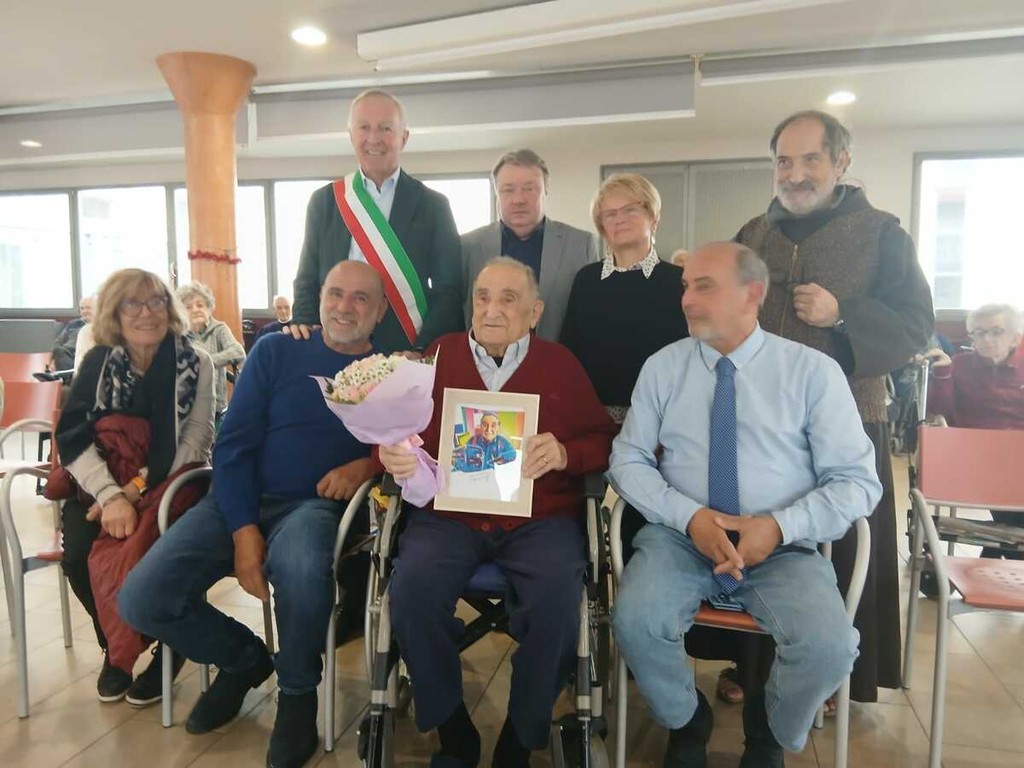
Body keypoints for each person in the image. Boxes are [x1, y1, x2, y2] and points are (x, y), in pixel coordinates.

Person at [609, 243, 881, 767]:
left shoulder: (812, 372)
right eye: (685, 286)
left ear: (752, 294)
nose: (687, 299)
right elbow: (628, 458)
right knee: (636, 622)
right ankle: (687, 721)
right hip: (680, 539)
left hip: (782, 548)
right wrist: (689, 517)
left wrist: (779, 526)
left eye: (704, 286)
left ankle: (768, 729)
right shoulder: (664, 367)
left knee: (829, 647)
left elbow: (857, 481)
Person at [119, 261, 387, 768]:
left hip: (314, 506)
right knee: (142, 598)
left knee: (302, 569)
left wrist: (368, 464)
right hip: (236, 498)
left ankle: (298, 695)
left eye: (360, 298)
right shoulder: (276, 349)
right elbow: (235, 443)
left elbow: (411, 444)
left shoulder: (390, 369)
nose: (344, 307)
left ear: (380, 310)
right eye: (335, 293)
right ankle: (243, 659)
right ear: (319, 298)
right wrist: (244, 530)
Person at [378, 257, 617, 768]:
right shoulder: (437, 356)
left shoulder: (560, 364)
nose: (491, 309)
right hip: (449, 517)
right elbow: (400, 431)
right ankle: (452, 730)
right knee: (411, 593)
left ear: (535, 311)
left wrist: (566, 453)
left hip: (539, 519)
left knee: (558, 604)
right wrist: (394, 452)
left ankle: (520, 736)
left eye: (509, 299)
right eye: (483, 296)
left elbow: (602, 439)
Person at [734, 110, 933, 704]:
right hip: (758, 421)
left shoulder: (883, 234)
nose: (794, 174)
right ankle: (753, 668)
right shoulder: (753, 233)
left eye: (810, 159)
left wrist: (842, 314)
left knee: (843, 547)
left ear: (841, 162)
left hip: (847, 419)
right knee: (759, 542)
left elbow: (915, 325)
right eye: (784, 161)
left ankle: (833, 676)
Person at [54, 268, 215, 705]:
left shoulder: (196, 362)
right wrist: (109, 495)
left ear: (170, 308)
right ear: (114, 312)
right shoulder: (97, 361)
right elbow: (73, 436)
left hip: (171, 482)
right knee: (78, 556)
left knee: (159, 556)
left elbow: (197, 438)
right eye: (133, 304)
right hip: (99, 486)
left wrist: (136, 490)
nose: (147, 313)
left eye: (156, 302)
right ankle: (117, 650)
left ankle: (172, 647)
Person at [290, 89, 463, 353]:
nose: (374, 138)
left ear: (404, 138)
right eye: (364, 127)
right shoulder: (325, 201)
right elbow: (307, 278)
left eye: (385, 128)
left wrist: (423, 348)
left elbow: (448, 290)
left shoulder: (434, 206)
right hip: (334, 345)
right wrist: (305, 324)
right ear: (351, 136)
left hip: (405, 349)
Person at [560, 173, 687, 424]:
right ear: (602, 227)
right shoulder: (586, 280)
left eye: (630, 210)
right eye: (610, 214)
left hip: (664, 416)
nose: (619, 219)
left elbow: (689, 355)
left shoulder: (679, 281)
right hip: (595, 418)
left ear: (653, 218)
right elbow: (570, 351)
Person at [461, 149, 598, 340]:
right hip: (483, 357)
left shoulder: (580, 244)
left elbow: (590, 314)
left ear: (545, 191)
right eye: (508, 190)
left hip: (558, 356)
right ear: (496, 194)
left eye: (529, 189)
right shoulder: (467, 246)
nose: (518, 200)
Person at [924, 303, 1024, 560]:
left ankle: (992, 556)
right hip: (974, 463)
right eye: (979, 332)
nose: (986, 339)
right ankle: (1002, 556)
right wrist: (943, 372)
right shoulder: (960, 365)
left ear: (1015, 337)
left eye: (996, 331)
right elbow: (938, 411)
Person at [177, 281, 246, 422]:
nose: (195, 310)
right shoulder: (177, 334)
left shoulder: (219, 329)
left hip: (216, 406)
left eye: (200, 305)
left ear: (209, 308)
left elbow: (238, 352)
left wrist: (205, 362)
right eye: (188, 307)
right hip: (184, 405)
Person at [48, 295, 93, 371]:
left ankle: (67, 375)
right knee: (58, 351)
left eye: (88, 308)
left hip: (83, 356)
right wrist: (52, 361)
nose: (84, 311)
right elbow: (58, 342)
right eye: (82, 308)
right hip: (65, 354)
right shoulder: (73, 324)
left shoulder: (99, 327)